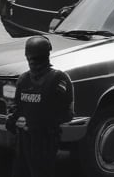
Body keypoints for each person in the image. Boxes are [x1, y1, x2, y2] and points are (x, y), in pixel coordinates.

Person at [6, 36, 74, 177]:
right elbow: (16, 108)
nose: (33, 63)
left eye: (36, 59)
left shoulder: (58, 79)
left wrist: (37, 122)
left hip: (45, 141)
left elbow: (67, 114)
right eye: (31, 59)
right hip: (24, 140)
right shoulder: (23, 80)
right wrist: (13, 119)